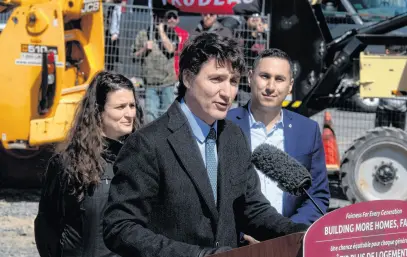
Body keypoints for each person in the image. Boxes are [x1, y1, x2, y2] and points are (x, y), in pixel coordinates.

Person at [103, 32, 309, 257]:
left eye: (233, 81)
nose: (227, 93)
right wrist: (198, 255)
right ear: (188, 78)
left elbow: (252, 209)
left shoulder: (233, 137)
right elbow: (120, 227)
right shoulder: (148, 144)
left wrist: (302, 234)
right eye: (216, 79)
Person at [34, 71, 144, 257]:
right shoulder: (68, 162)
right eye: (120, 107)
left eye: (132, 106)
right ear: (98, 111)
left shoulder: (142, 159)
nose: (129, 114)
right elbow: (47, 225)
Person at [227, 48, 330, 225]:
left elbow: (317, 196)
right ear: (250, 77)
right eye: (265, 76)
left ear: (290, 85)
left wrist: (286, 233)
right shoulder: (224, 124)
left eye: (279, 79)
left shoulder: (307, 130)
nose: (271, 87)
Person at [375, 44, 407, 130]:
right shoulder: (381, 64)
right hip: (384, 108)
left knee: (399, 137)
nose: (399, 54)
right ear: (387, 52)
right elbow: (378, 86)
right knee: (380, 135)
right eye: (396, 51)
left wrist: (391, 92)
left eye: (400, 51)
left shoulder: (404, 65)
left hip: (400, 109)